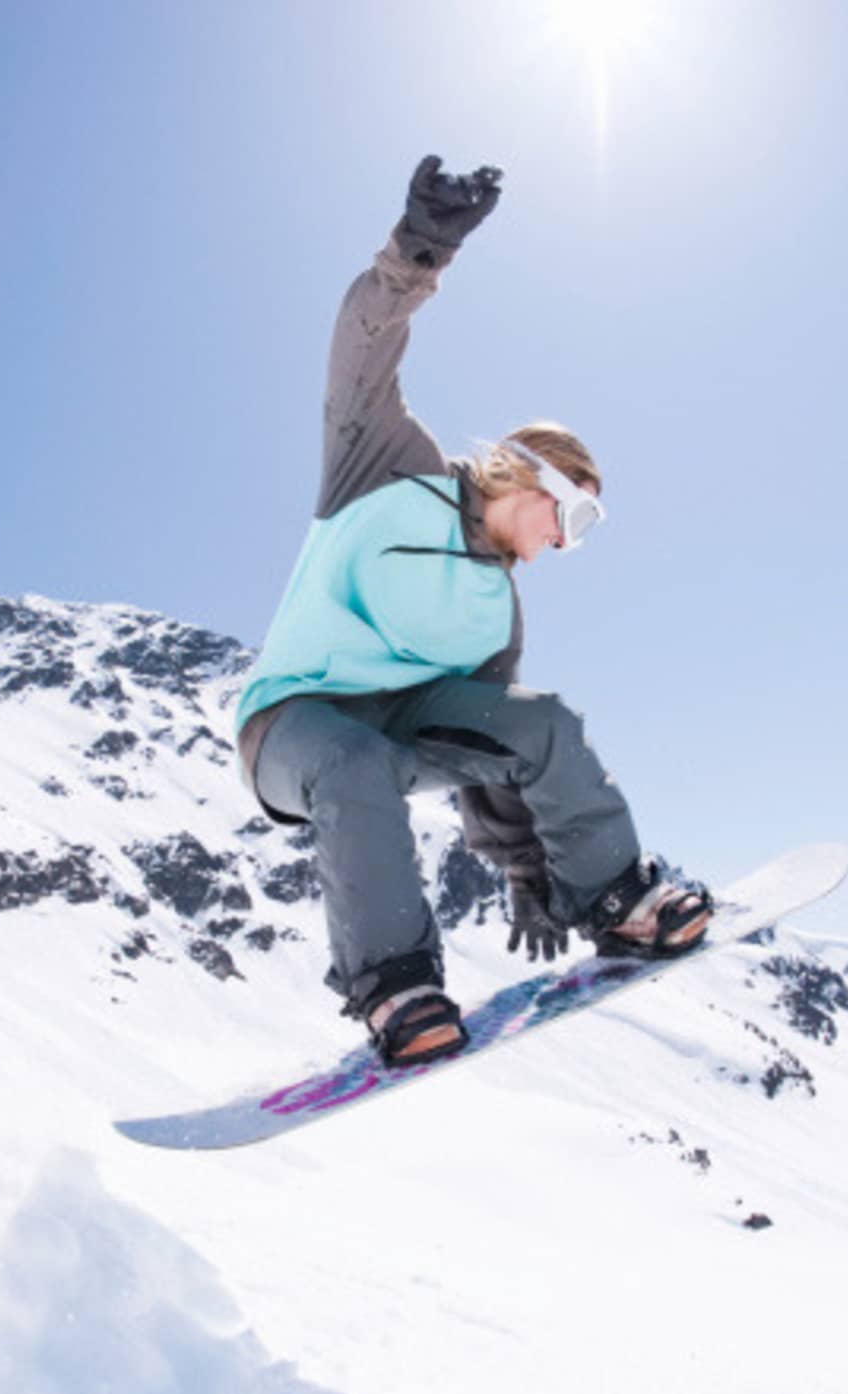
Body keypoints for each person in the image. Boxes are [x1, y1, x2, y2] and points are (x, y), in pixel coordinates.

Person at [236, 155, 712, 1068]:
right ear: (524, 475)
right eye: (572, 515)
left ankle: (618, 901)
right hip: (295, 724)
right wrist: (422, 249)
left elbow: (489, 754)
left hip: (406, 725)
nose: (568, 544)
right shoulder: (384, 469)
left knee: (539, 720)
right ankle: (395, 985)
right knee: (355, 760)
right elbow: (361, 353)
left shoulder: (496, 610)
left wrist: (536, 873)